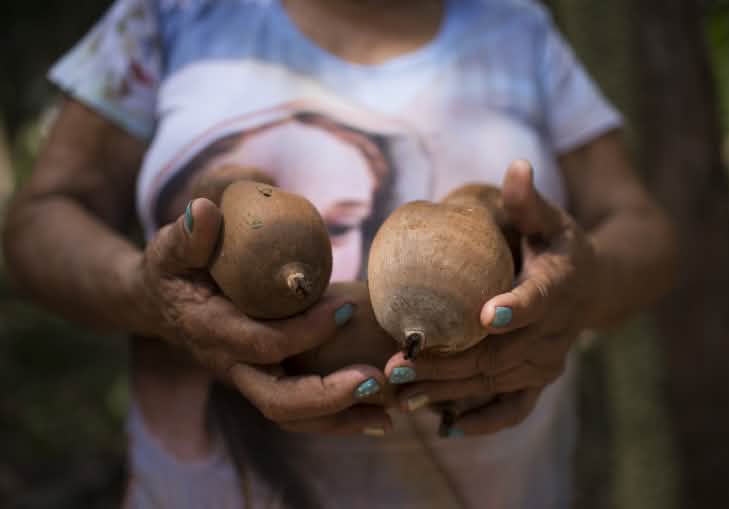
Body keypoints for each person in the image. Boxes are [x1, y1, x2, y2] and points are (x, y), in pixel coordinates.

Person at [2, 0, 677, 507]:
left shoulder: (518, 28)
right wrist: (139, 292)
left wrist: (580, 288)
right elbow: (37, 219)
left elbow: (642, 227)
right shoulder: (167, 14)